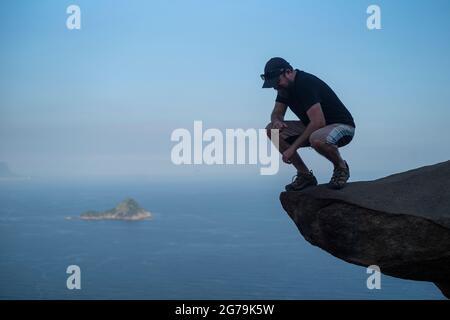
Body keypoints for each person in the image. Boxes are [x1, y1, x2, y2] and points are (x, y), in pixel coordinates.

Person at [262, 57, 356, 190]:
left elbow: (318, 122)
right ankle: (305, 175)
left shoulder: (305, 83)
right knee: (272, 130)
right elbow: (277, 112)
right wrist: (276, 121)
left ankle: (341, 167)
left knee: (317, 138)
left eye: (277, 82)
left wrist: (292, 149)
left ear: (288, 72)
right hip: (316, 127)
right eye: (273, 85)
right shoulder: (284, 89)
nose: (276, 87)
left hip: (342, 126)